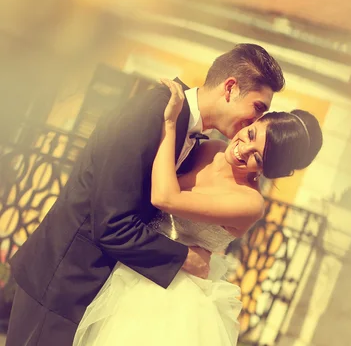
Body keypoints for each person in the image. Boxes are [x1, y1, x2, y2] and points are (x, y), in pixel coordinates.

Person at [6, 44, 285, 346]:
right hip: (62, 283)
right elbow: (111, 224)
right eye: (258, 108)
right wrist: (185, 259)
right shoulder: (153, 113)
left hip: (97, 291)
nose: (255, 122)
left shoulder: (190, 134)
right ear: (230, 88)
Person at [72, 79, 323, 345]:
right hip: (133, 260)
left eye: (257, 158)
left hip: (172, 296)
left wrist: (169, 123)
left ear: (265, 170)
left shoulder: (249, 203)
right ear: (253, 123)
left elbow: (164, 197)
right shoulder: (210, 149)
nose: (243, 150)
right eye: (251, 134)